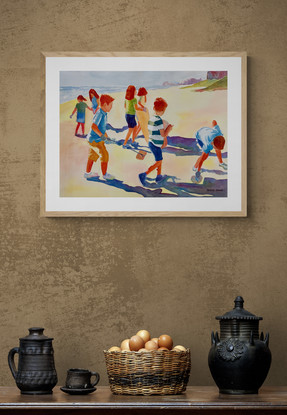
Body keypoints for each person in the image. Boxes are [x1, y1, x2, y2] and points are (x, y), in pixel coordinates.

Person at [138, 97, 173, 186]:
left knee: (159, 159)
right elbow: (163, 134)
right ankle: (144, 174)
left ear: (154, 108)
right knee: (158, 161)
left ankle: (158, 176)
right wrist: (169, 129)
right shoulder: (159, 121)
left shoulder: (152, 119)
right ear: (162, 111)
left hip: (151, 142)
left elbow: (154, 132)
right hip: (155, 144)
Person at [84, 94, 115, 180]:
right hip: (95, 140)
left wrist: (107, 137)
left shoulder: (104, 113)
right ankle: (105, 175)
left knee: (92, 155)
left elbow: (102, 128)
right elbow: (94, 126)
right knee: (104, 155)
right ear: (105, 104)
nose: (111, 107)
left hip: (94, 139)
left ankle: (87, 173)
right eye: (110, 105)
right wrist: (102, 136)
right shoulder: (99, 114)